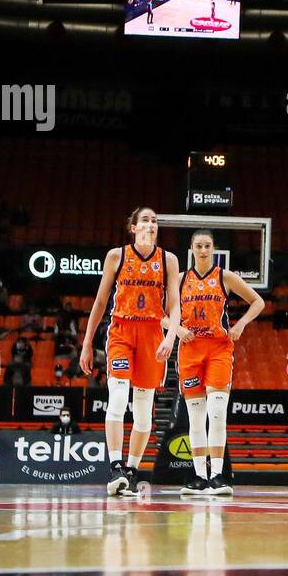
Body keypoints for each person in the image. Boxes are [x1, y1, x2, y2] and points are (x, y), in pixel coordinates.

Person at [80, 206, 181, 497]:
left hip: (152, 334)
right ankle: (114, 466)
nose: (151, 224)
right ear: (133, 228)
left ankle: (132, 471)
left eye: (154, 221)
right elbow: (100, 302)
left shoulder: (168, 260)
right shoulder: (116, 255)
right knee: (118, 396)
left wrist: (170, 336)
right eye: (145, 220)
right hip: (122, 331)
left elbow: (174, 305)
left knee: (143, 411)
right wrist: (88, 342)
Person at [166, 229, 264, 495]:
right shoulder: (179, 279)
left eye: (207, 246)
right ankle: (199, 476)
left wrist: (241, 324)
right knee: (196, 418)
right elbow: (159, 313)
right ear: (192, 249)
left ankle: (218, 476)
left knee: (217, 413)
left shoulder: (225, 277)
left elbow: (258, 302)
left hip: (219, 349)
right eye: (198, 246)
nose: (203, 250)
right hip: (189, 350)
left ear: (214, 249)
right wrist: (176, 329)